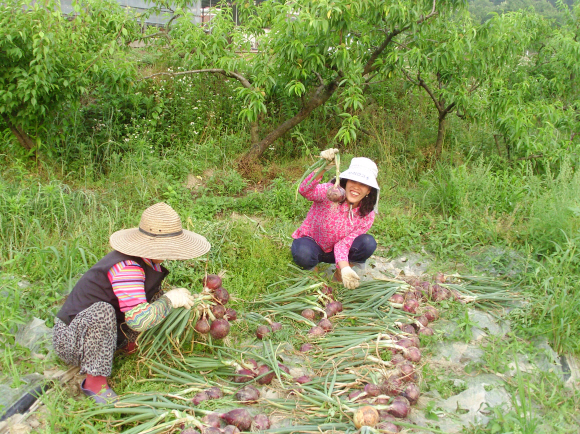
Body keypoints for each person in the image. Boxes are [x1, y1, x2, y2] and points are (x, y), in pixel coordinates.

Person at [53, 202, 210, 404]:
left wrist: (165, 299)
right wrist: (170, 300)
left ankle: (127, 345)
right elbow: (137, 320)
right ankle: (94, 382)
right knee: (104, 311)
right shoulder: (127, 267)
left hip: (101, 333)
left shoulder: (147, 261)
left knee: (155, 297)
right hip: (72, 340)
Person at [292, 149, 379, 289]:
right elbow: (305, 190)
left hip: (336, 253)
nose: (356, 187)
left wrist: (344, 268)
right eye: (353, 180)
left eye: (363, 184)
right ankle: (314, 279)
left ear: (369, 190)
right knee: (303, 253)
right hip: (312, 244)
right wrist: (323, 166)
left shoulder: (367, 214)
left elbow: (344, 244)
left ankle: (339, 275)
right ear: (346, 181)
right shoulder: (331, 192)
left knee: (368, 243)